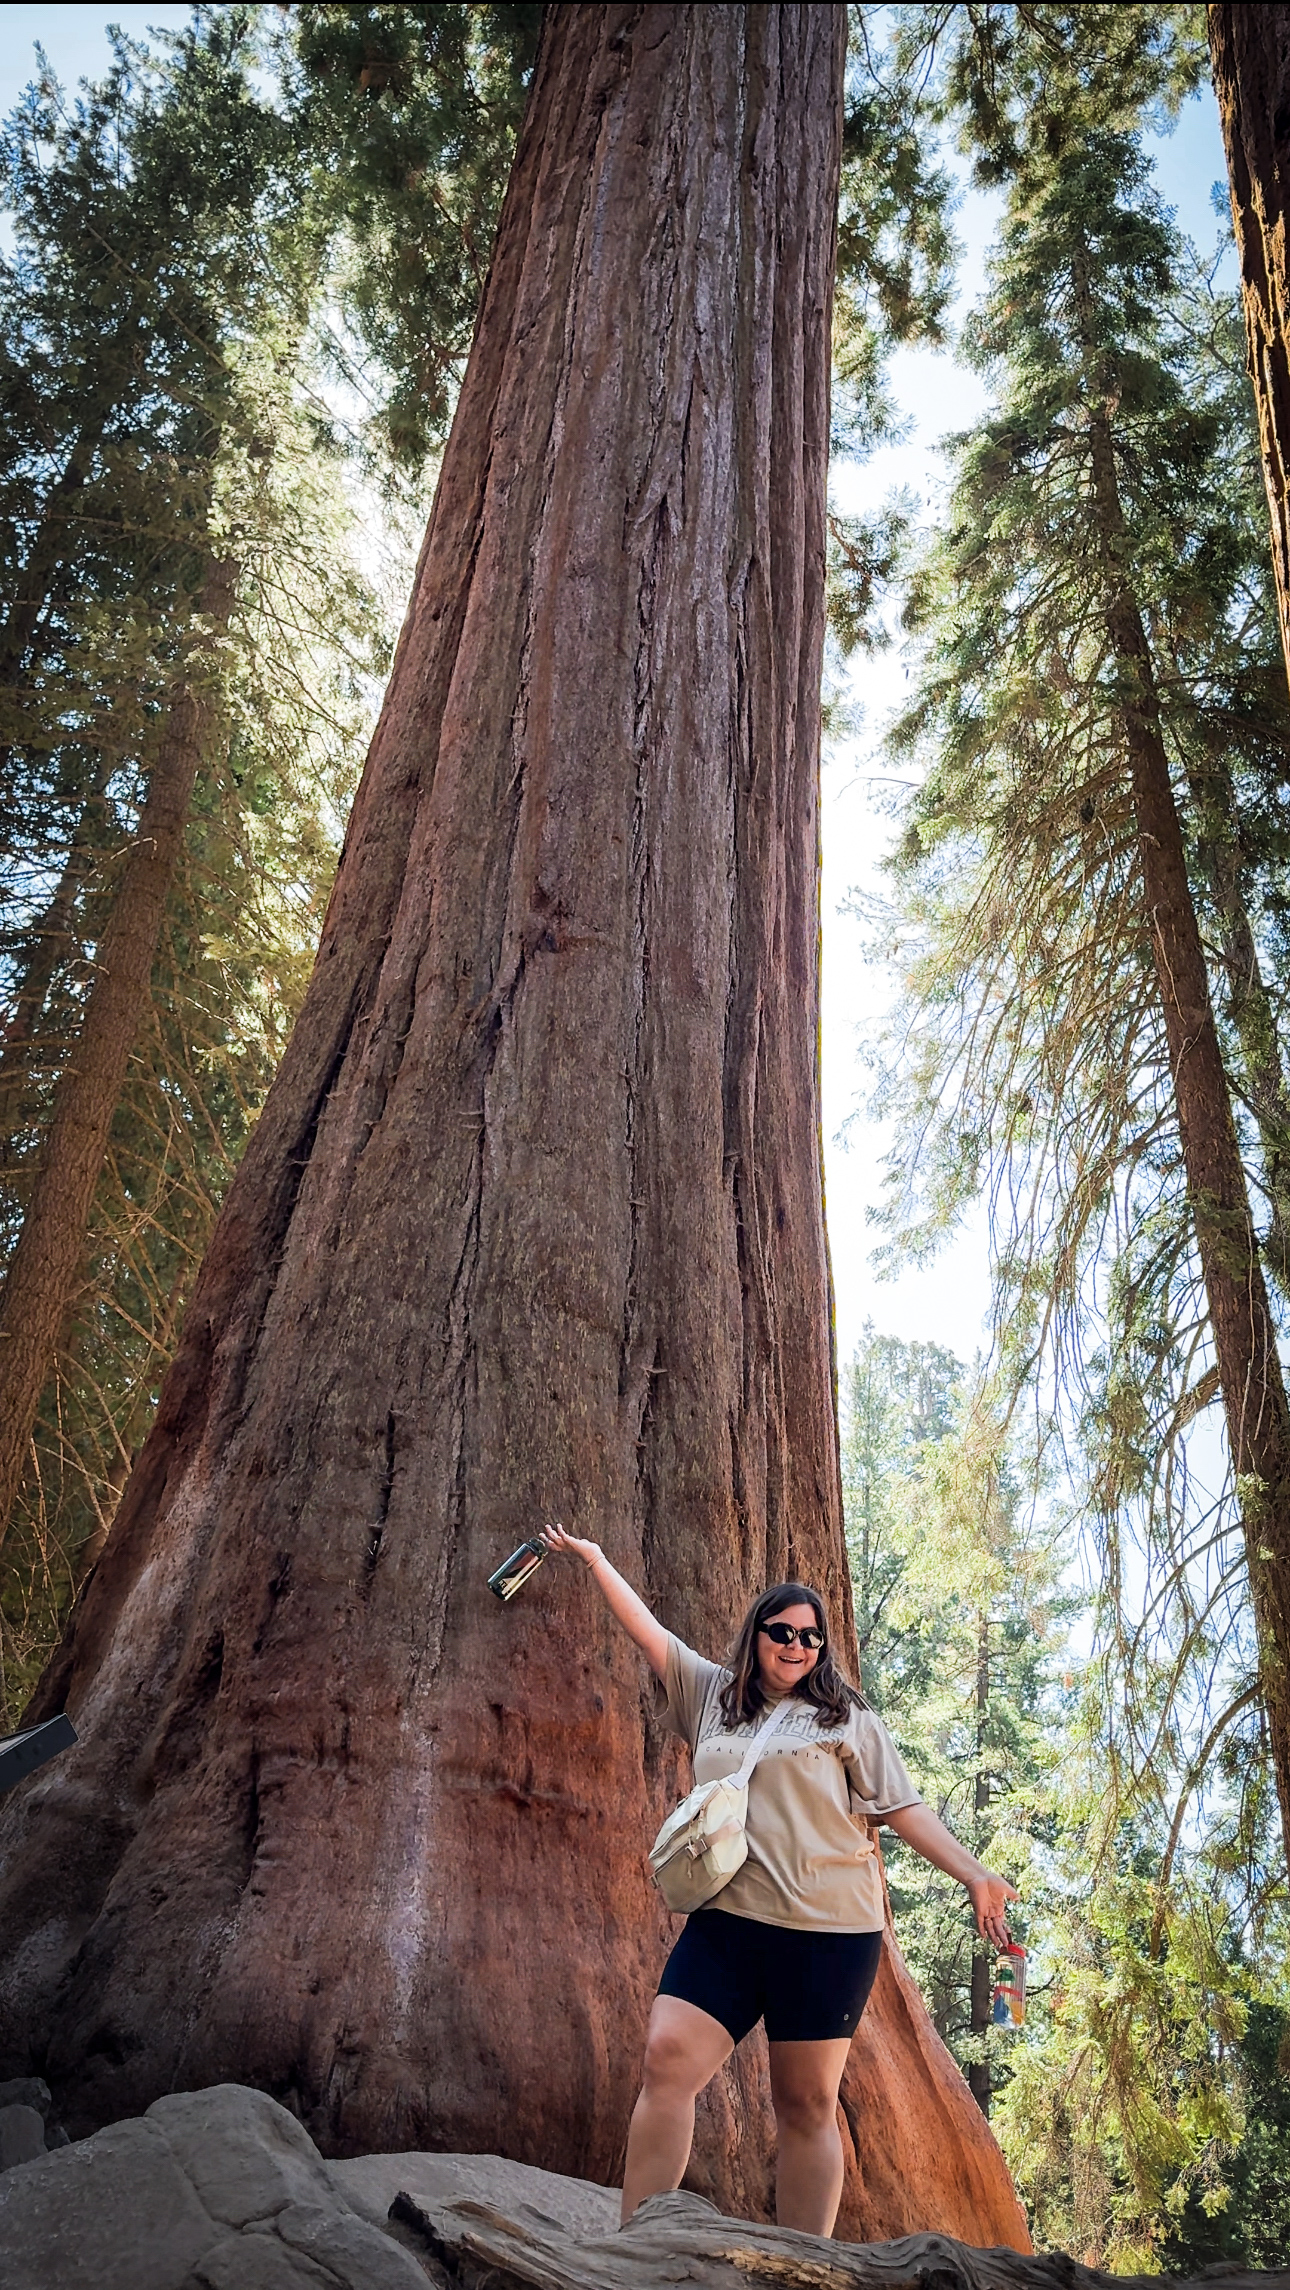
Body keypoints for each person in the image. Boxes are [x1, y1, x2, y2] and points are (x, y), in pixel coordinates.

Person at [540, 1524, 1019, 2238]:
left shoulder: (843, 1716)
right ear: (756, 1634)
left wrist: (974, 1875)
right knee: (667, 2059)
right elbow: (650, 1635)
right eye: (782, 1632)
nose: (797, 1647)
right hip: (729, 1925)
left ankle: (804, 2264)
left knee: (805, 2106)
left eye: (811, 1638)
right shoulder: (713, 1695)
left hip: (828, 1936)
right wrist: (598, 1560)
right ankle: (635, 2246)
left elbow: (904, 1808)